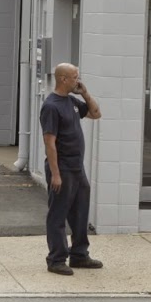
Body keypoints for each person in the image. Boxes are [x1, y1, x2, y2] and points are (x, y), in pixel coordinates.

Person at [41, 62, 103, 276]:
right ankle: (56, 259)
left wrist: (85, 93)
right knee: (58, 215)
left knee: (80, 213)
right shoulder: (51, 106)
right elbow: (49, 143)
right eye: (75, 77)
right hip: (62, 169)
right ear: (63, 79)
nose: (79, 80)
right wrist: (55, 174)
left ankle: (79, 255)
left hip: (77, 168)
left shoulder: (72, 102)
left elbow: (96, 113)